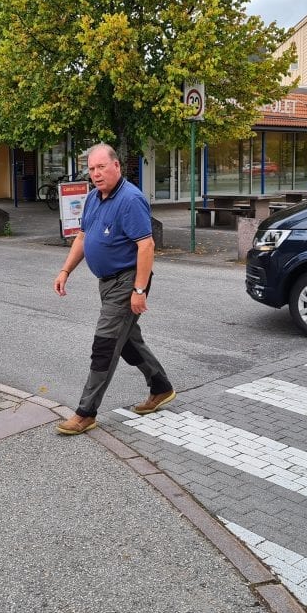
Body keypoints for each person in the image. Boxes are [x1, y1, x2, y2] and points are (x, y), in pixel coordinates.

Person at [53, 143, 176, 435]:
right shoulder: (94, 197)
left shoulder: (130, 199)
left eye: (101, 167)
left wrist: (139, 289)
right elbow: (83, 236)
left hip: (127, 281)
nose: (96, 174)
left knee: (105, 346)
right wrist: (65, 270)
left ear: (116, 166)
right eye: (91, 168)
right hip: (107, 283)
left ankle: (86, 412)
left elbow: (146, 246)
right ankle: (161, 387)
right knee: (128, 342)